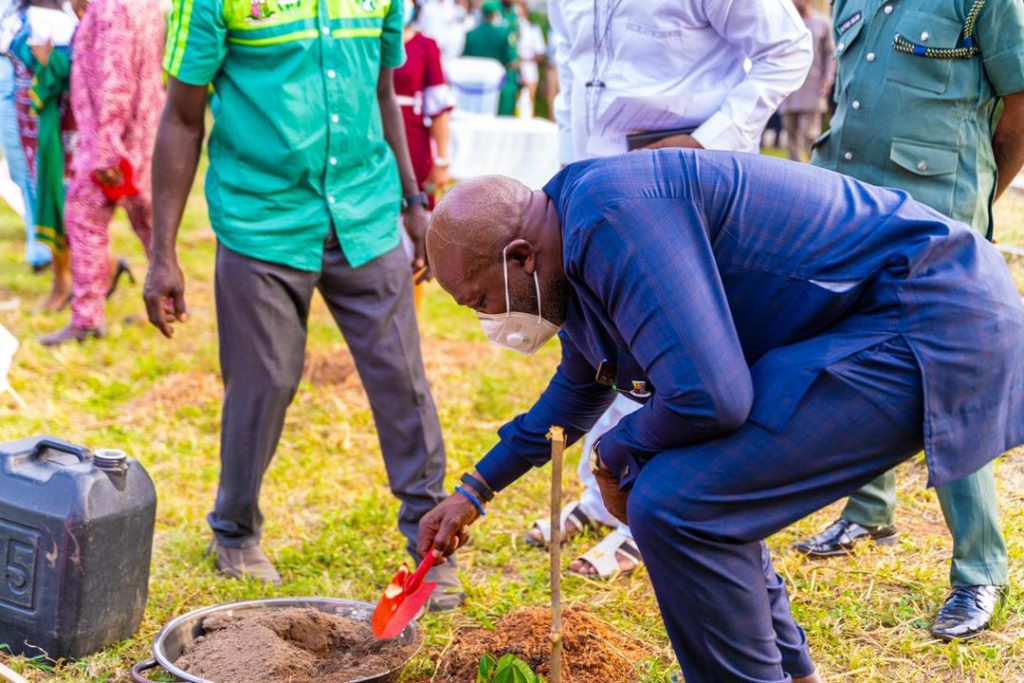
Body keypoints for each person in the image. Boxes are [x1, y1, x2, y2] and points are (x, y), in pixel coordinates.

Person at [416, 149, 1024, 683]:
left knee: (679, 504)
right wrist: (475, 490)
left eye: (480, 301)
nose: (487, 319)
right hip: (878, 317)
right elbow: (576, 395)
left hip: (929, 312)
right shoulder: (569, 247)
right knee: (698, 491)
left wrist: (616, 450)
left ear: (519, 257)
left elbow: (711, 397)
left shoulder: (609, 220)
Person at [146, 0, 459, 609]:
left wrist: (413, 199)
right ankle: (234, 531)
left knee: (401, 377)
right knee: (263, 380)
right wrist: (162, 253)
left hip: (364, 212)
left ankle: (428, 543)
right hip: (261, 219)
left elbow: (382, 93)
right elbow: (182, 119)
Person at [532, 0, 811, 581]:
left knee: (674, 357)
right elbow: (575, 69)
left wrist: (706, 143)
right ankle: (598, 496)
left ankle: (651, 515)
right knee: (605, 349)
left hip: (680, 184)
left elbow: (788, 49)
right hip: (590, 183)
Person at [798, 0, 1024, 641]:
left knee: (951, 384)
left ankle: (981, 570)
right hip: (846, 206)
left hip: (936, 218)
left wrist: (975, 195)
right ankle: (869, 510)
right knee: (855, 360)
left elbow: (1019, 109)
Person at [38, 0, 164, 346]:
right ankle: (170, 301)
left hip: (113, 142)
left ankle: (87, 319)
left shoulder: (112, 10)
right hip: (146, 132)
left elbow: (114, 80)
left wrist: (106, 150)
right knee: (153, 224)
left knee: (83, 218)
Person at [9, 0, 76, 311]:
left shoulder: (66, 20)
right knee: (41, 190)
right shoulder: (25, 17)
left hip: (58, 122)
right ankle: (70, 275)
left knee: (62, 194)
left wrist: (49, 64)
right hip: (32, 120)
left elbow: (63, 68)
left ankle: (68, 280)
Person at [395, 0, 454, 308]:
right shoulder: (370, 43)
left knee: (414, 231)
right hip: (373, 147)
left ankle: (409, 314)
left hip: (414, 149)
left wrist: (441, 160)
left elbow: (439, 109)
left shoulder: (425, 47)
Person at [0, 0, 46, 271]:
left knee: (34, 166)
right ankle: (40, 243)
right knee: (19, 170)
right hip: (6, 68)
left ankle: (44, 250)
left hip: (27, 70)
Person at [779, 0, 833, 161]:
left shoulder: (823, 23)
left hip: (813, 86)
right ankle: (795, 173)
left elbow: (831, 54)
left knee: (810, 134)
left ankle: (815, 168)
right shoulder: (784, 22)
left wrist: (827, 79)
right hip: (788, 88)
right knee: (791, 134)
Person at [462, 0, 517, 115]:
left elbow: (465, 60)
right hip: (497, 87)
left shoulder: (470, 34)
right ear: (495, 14)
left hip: (474, 86)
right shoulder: (504, 33)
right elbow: (512, 62)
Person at [514, 1, 543, 109]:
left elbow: (540, 53)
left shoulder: (533, 29)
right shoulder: (511, 26)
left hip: (529, 69)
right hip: (514, 69)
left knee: (529, 103)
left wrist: (525, 60)